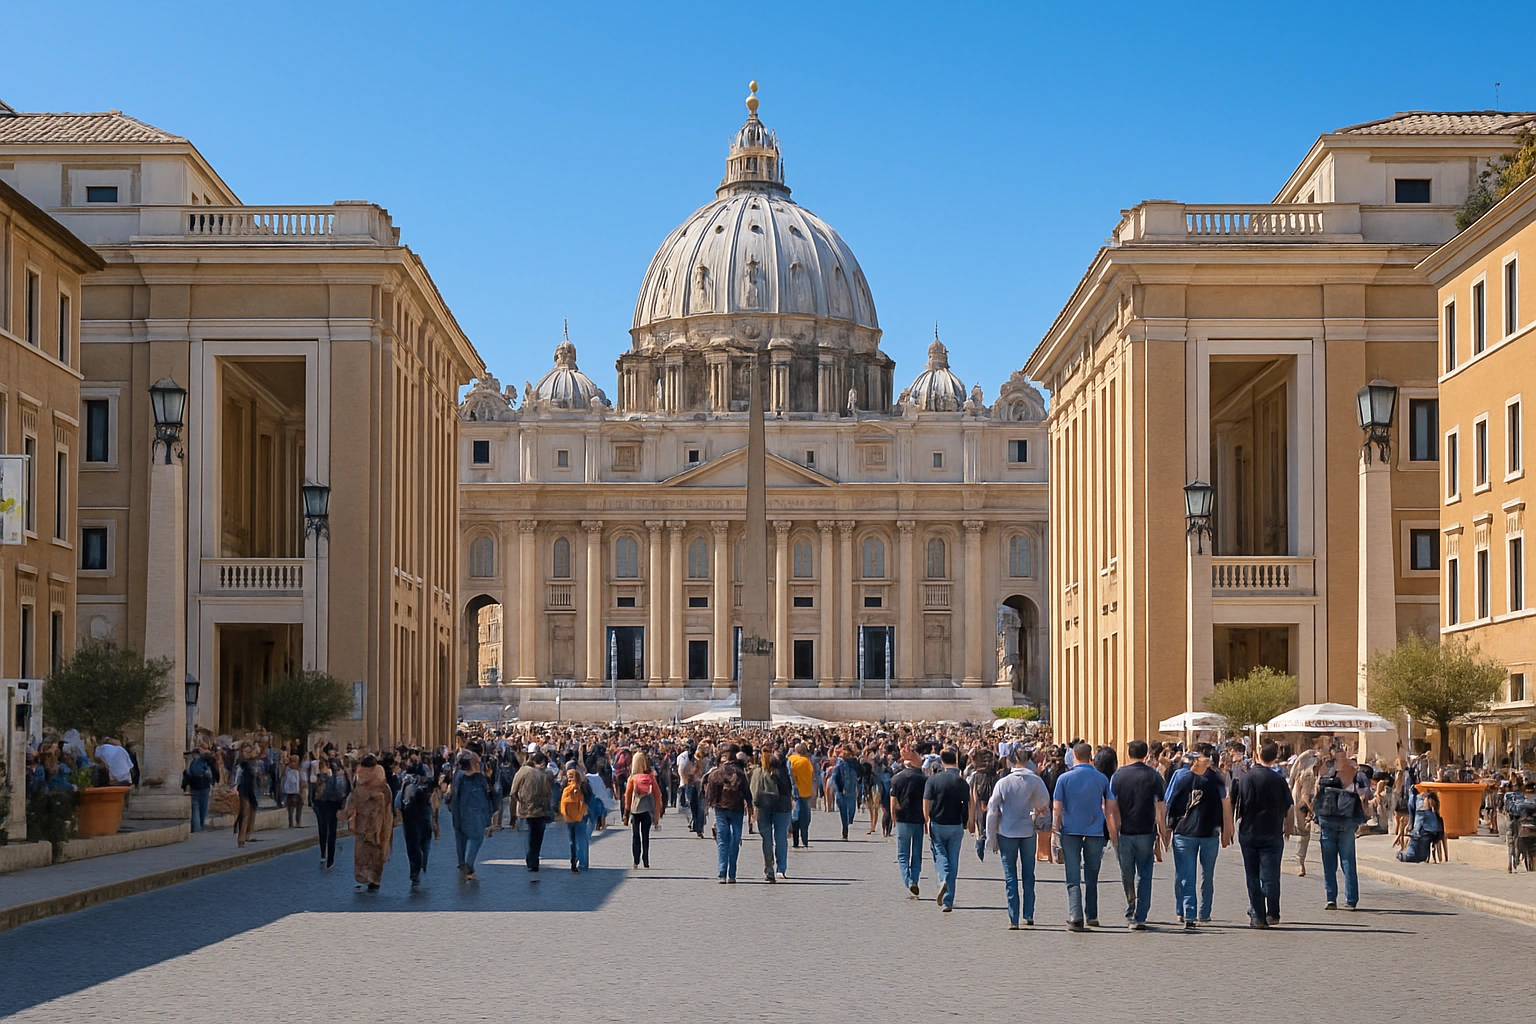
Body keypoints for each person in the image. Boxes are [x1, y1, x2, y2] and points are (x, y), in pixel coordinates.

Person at [1164, 747, 1232, 929]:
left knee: (1186, 874)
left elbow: (1171, 804)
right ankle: (1204, 912)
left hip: (1185, 832)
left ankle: (1188, 913)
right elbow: (1225, 806)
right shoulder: (1217, 780)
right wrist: (1226, 830)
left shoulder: (1182, 777)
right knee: (1206, 875)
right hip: (1209, 832)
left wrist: (1167, 829)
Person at [985, 744, 1051, 928]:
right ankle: (1028, 913)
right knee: (1029, 873)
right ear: (1028, 761)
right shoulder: (1035, 781)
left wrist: (991, 837)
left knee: (1010, 875)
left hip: (1007, 831)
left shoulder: (1003, 782)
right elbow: (1044, 803)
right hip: (1028, 830)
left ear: (1011, 761)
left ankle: (1013, 918)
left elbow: (992, 811)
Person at [1054, 740, 1116, 930]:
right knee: (1092, 875)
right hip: (1095, 831)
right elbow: (1110, 808)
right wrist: (1113, 833)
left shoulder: (1064, 779)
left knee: (1072, 877)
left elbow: (1057, 808)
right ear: (1090, 756)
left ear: (1074, 756)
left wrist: (1055, 832)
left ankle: (1075, 915)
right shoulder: (1102, 779)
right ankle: (1092, 915)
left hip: (1070, 831)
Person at [1107, 739, 1166, 930]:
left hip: (1124, 831)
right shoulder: (1154, 776)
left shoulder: (1118, 776)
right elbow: (1160, 807)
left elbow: (1112, 807)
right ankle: (1141, 914)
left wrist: (1113, 830)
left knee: (1127, 872)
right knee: (1145, 873)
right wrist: (1162, 832)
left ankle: (1131, 902)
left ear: (1128, 753)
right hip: (1146, 830)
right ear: (1146, 754)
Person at [1235, 741, 1293, 928]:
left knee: (1252, 875)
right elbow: (1289, 806)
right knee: (1272, 874)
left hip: (1249, 830)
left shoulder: (1246, 778)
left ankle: (1258, 915)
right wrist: (1289, 826)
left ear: (1258, 756)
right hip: (1272, 830)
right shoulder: (1279, 779)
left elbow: (1236, 804)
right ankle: (1273, 913)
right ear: (1275, 757)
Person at [1314, 749, 1370, 910]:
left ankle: (1331, 898)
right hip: (1348, 819)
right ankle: (1351, 900)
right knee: (1348, 861)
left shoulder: (1326, 772)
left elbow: (1317, 793)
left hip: (1327, 819)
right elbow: (1365, 794)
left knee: (1329, 862)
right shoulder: (1356, 773)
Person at [923, 747, 969, 913]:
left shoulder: (933, 780)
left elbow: (926, 801)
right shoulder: (961, 781)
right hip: (956, 824)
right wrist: (966, 822)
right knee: (954, 859)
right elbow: (967, 804)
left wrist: (926, 820)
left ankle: (943, 878)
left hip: (938, 822)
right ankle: (948, 900)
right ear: (955, 760)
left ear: (942, 761)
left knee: (940, 854)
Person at [345, 754, 393, 892]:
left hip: (370, 820)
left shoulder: (364, 778)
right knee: (376, 849)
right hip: (377, 819)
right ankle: (374, 879)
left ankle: (367, 876)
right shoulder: (377, 779)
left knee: (364, 850)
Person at [703, 745, 751, 882]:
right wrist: (751, 809)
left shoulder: (716, 773)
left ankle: (722, 872)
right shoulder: (740, 773)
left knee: (722, 840)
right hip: (737, 809)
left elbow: (709, 793)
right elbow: (747, 793)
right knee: (735, 840)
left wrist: (708, 807)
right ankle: (732, 874)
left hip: (720, 809)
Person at [447, 752, 493, 881]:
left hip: (459, 812)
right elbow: (487, 797)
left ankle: (462, 862)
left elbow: (453, 795)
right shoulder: (479, 779)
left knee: (460, 838)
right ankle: (469, 864)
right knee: (476, 838)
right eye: (478, 763)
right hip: (475, 813)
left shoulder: (458, 776)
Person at [890, 744, 928, 897]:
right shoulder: (924, 779)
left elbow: (893, 801)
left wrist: (893, 818)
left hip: (903, 818)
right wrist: (927, 821)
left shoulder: (897, 778)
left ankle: (909, 880)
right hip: (918, 819)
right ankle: (915, 880)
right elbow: (926, 802)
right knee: (917, 853)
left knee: (902, 854)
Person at [749, 747, 791, 882]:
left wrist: (752, 811)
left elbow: (753, 793)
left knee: (766, 839)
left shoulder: (756, 772)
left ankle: (769, 868)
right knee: (781, 838)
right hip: (782, 808)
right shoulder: (782, 772)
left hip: (762, 807)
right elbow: (788, 790)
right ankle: (781, 868)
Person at [512, 750, 554, 874]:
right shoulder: (544, 775)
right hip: (540, 811)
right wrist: (547, 810)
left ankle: (530, 861)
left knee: (528, 835)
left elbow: (513, 791)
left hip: (525, 809)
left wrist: (520, 802)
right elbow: (548, 795)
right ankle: (534, 861)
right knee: (537, 837)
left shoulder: (523, 771)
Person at [398, 750, 436, 885]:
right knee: (415, 842)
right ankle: (416, 869)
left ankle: (419, 865)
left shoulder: (422, 772)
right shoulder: (405, 775)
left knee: (421, 841)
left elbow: (431, 786)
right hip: (413, 813)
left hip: (419, 811)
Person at [623, 750, 663, 869]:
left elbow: (628, 797)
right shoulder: (650, 778)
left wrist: (626, 813)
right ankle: (646, 860)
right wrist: (657, 816)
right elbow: (658, 796)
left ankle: (636, 861)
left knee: (636, 835)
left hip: (635, 810)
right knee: (645, 835)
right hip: (647, 810)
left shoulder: (632, 778)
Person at [313, 753, 350, 868]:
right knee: (332, 832)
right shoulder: (343, 776)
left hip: (324, 803)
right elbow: (347, 790)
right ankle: (330, 859)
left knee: (323, 829)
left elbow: (317, 791)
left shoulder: (325, 776)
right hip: (334, 804)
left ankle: (324, 853)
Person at [559, 764, 594, 872]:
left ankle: (574, 859)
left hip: (570, 817)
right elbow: (589, 797)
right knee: (580, 840)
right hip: (580, 816)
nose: (569, 777)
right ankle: (580, 861)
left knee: (573, 840)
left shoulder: (565, 786)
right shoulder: (583, 785)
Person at [181, 743, 218, 833]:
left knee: (195, 808)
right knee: (203, 808)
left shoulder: (191, 764)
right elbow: (213, 768)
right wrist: (214, 781)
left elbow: (186, 775)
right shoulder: (205, 761)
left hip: (194, 787)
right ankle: (201, 826)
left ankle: (196, 828)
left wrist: (184, 787)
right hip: (204, 787)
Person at [788, 742, 815, 848]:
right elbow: (812, 775)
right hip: (805, 791)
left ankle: (795, 840)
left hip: (795, 792)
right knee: (805, 816)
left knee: (796, 815)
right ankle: (805, 839)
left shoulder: (790, 760)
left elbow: (790, 775)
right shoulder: (807, 761)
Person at [832, 745, 860, 840]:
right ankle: (845, 830)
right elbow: (835, 777)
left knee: (851, 810)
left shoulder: (854, 763)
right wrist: (838, 789)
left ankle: (847, 823)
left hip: (851, 789)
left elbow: (859, 774)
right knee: (843, 811)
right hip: (841, 791)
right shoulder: (839, 763)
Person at [281, 754, 304, 827]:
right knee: (296, 806)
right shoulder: (294, 769)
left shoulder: (287, 769)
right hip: (294, 790)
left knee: (292, 807)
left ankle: (292, 822)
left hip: (291, 790)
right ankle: (296, 822)